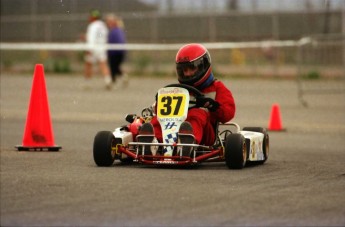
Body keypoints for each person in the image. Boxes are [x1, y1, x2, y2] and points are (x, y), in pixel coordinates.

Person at [138, 43, 236, 156]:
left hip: (206, 134)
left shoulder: (217, 87)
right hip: (173, 128)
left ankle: (187, 143)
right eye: (184, 70)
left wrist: (213, 106)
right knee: (161, 118)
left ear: (203, 66)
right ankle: (153, 143)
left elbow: (228, 112)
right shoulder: (176, 90)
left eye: (192, 69)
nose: (188, 73)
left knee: (197, 113)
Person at [84, 9, 112, 89]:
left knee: (88, 65)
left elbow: (91, 38)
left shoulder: (92, 26)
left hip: (93, 48)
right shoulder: (103, 25)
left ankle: (87, 83)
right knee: (103, 64)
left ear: (93, 17)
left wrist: (89, 49)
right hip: (102, 47)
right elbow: (103, 36)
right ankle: (108, 81)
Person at [105, 13, 128, 88]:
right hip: (119, 52)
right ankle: (123, 77)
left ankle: (112, 82)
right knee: (115, 67)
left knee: (113, 67)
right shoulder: (118, 30)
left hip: (115, 52)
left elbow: (110, 42)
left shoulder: (114, 31)